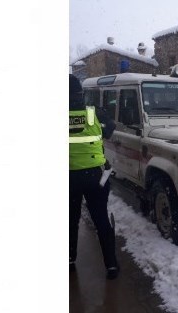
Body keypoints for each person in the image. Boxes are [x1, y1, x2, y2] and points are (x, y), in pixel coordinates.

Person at [69, 74, 119, 279]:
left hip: (68, 178)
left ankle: (69, 260)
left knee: (70, 220)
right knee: (100, 219)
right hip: (95, 177)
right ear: (81, 93)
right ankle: (111, 265)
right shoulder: (95, 113)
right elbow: (110, 131)